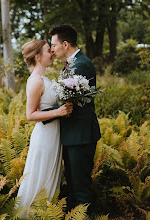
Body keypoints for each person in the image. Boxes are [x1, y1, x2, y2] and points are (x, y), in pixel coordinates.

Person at [46, 24, 101, 215]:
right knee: (73, 185)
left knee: (81, 187)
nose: (52, 49)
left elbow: (70, 104)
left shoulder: (81, 65)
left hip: (81, 135)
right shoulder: (71, 65)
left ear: (65, 44)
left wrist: (41, 115)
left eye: (53, 45)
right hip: (72, 135)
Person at [16, 39, 73, 217]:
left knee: (52, 176)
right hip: (44, 138)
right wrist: (59, 112)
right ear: (38, 57)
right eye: (49, 50)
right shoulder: (35, 82)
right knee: (42, 176)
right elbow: (30, 115)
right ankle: (33, 214)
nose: (52, 53)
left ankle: (47, 213)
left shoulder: (45, 78)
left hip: (54, 135)